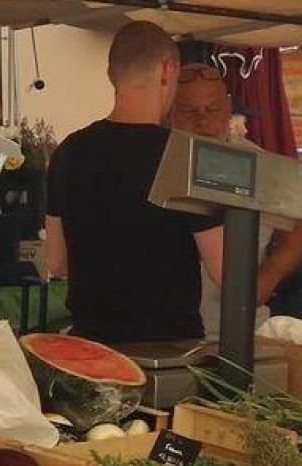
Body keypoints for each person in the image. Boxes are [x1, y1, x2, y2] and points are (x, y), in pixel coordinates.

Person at [41, 22, 224, 345]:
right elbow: (225, 269)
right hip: (169, 352)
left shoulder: (68, 152)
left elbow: (55, 262)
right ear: (167, 71)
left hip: (91, 346)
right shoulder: (185, 156)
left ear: (112, 75)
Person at [171, 63, 302, 339]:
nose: (201, 120)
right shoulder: (158, 160)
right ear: (170, 112)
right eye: (189, 111)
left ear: (227, 109)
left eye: (211, 110)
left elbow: (299, 229)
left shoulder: (256, 163)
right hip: (168, 332)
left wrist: (268, 276)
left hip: (241, 329)